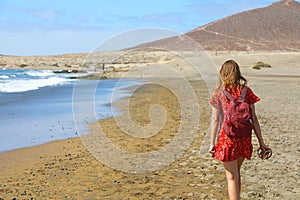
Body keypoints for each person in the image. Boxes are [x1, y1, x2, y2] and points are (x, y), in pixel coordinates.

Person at [209, 60, 272, 200]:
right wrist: (261, 142)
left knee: (231, 177)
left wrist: (211, 143)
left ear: (222, 73)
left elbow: (214, 120)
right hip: (245, 137)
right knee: (236, 172)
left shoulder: (219, 93)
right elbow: (254, 119)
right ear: (237, 72)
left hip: (228, 139)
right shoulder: (246, 91)